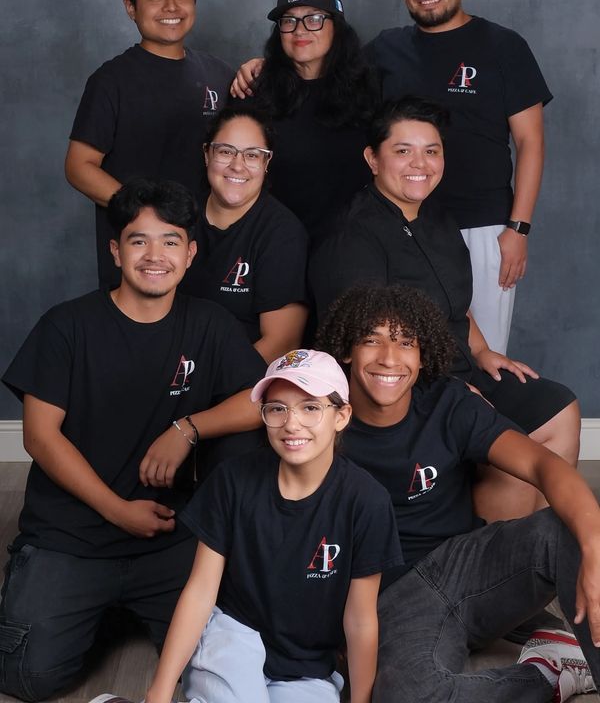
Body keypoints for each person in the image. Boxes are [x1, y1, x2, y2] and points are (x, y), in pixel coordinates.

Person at [0, 179, 266, 702]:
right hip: (72, 535)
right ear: (116, 250)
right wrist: (117, 509)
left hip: (169, 539)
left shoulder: (209, 324)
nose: (154, 256)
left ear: (189, 254)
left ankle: (109, 610)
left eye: (170, 241)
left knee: (216, 669)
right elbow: (38, 435)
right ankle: (85, 608)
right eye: (138, 240)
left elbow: (260, 401)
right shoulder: (67, 325)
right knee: (28, 677)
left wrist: (186, 428)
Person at [317, 284, 600, 703]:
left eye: (405, 343)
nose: (389, 358)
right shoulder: (317, 420)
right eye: (371, 340)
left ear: (422, 354)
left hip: (468, 565)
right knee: (409, 696)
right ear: (346, 351)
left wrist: (593, 547)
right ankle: (550, 675)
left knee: (574, 528)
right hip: (393, 599)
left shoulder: (447, 403)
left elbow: (544, 466)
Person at [309, 97, 579, 522]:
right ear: (372, 159)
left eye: (431, 151)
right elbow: (364, 350)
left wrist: (484, 351)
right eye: (403, 151)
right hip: (406, 387)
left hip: (459, 369)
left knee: (559, 409)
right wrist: (453, 398)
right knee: (510, 456)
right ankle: (486, 574)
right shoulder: (353, 237)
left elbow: (454, 304)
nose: (421, 163)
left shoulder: (435, 216)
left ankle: (540, 557)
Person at [122, 349, 402, 703]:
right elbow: (200, 591)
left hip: (305, 663)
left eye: (310, 407)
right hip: (234, 635)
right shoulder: (233, 480)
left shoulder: (366, 501)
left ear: (341, 416)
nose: (291, 423)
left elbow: (360, 619)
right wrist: (159, 692)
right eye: (277, 408)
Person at [364, 0, 552, 353]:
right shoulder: (384, 50)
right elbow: (327, 82)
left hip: (483, 226)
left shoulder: (503, 46)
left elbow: (531, 142)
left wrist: (518, 229)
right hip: (403, 225)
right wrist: (264, 64)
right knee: (406, 352)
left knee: (482, 357)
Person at [65, 0, 232, 288]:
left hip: (209, 253)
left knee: (203, 337)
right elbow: (79, 166)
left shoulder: (220, 75)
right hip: (141, 259)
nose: (171, 7)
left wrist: (256, 67)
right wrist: (147, 218)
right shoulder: (111, 81)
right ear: (131, 7)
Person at [231, 0, 378, 240]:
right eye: (289, 21)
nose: (300, 30)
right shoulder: (253, 94)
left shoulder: (370, 92)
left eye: (314, 18)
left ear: (338, 27)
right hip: (274, 243)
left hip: (352, 246)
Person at [178, 106, 309, 362]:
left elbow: (282, 343)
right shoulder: (178, 216)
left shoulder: (283, 234)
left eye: (252, 155)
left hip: (239, 381)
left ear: (266, 162)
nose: (237, 166)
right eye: (226, 151)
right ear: (207, 154)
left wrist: (208, 384)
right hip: (168, 365)